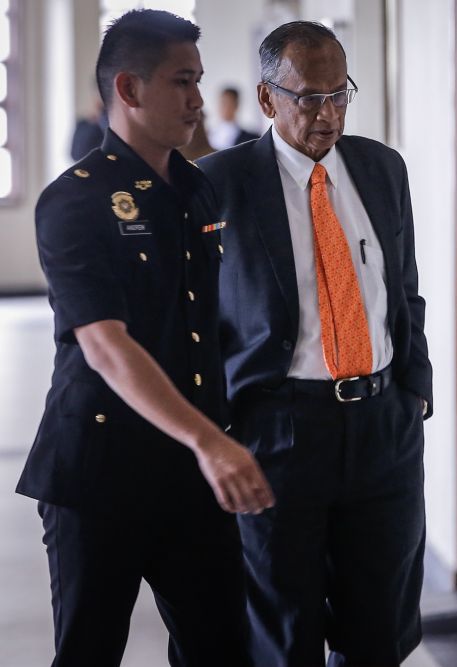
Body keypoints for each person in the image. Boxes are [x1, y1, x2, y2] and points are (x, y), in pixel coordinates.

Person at [16, 9, 274, 666]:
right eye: (182, 81)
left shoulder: (195, 188)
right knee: (90, 651)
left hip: (190, 473)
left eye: (199, 80)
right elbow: (106, 346)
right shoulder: (74, 200)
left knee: (222, 650)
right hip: (99, 473)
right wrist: (211, 441)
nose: (197, 99)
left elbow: (212, 322)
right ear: (129, 89)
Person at [199, 20, 432, 667]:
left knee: (380, 626)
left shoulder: (382, 169)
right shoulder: (217, 183)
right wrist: (219, 431)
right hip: (279, 431)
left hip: (383, 428)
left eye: (339, 94)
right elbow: (194, 319)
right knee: (285, 629)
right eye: (308, 98)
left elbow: (404, 289)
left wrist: (415, 390)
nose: (327, 114)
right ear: (267, 98)